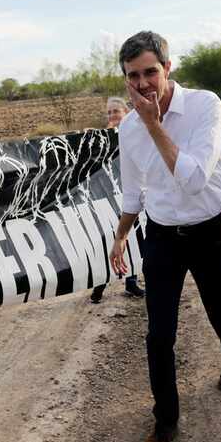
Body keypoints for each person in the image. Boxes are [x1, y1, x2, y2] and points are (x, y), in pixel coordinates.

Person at [108, 32, 221, 442]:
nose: (144, 84)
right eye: (134, 76)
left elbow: (192, 179)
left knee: (220, 310)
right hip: (164, 237)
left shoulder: (205, 106)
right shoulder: (128, 129)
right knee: (158, 334)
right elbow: (133, 191)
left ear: (168, 68)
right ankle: (165, 421)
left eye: (151, 71)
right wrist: (121, 233)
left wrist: (154, 125)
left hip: (211, 230)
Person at [90, 96, 146, 304]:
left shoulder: (135, 133)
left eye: (116, 111)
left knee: (134, 240)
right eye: (109, 112)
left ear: (126, 113)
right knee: (107, 240)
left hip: (131, 196)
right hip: (107, 198)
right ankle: (99, 285)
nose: (112, 115)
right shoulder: (100, 139)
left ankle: (131, 283)